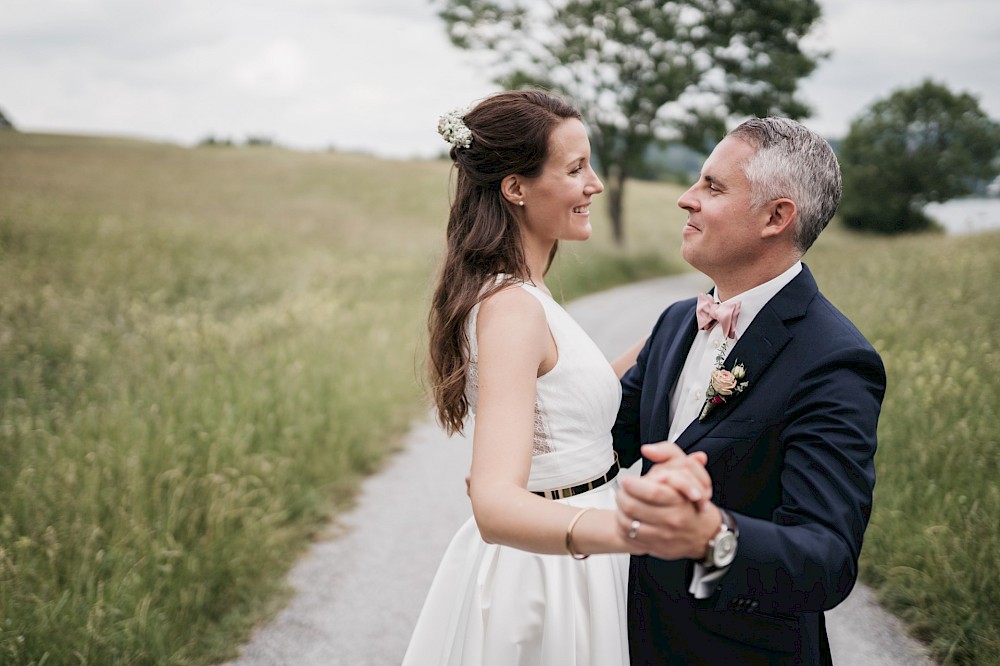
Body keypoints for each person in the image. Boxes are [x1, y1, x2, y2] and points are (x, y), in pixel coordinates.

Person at [402, 90, 709, 666]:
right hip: (546, 577)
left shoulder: (525, 292)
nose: (594, 184)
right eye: (575, 169)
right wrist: (634, 533)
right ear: (515, 188)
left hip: (577, 558)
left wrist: (682, 330)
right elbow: (493, 504)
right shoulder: (513, 308)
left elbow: (571, 403)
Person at [611, 117, 887, 665]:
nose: (686, 199)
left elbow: (827, 560)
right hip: (635, 637)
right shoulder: (674, 322)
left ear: (776, 217)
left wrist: (711, 536)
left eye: (712, 187)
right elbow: (606, 438)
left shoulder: (834, 359)